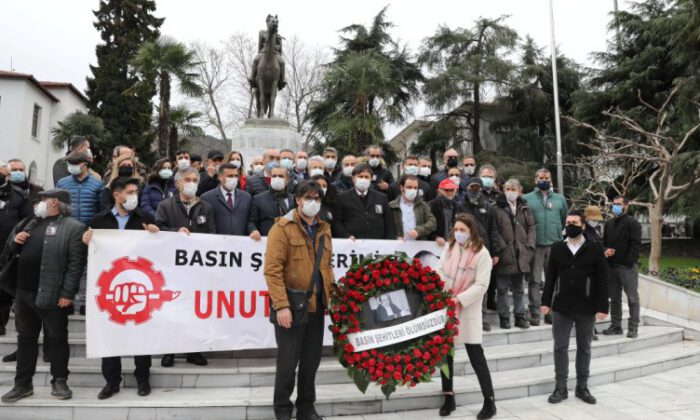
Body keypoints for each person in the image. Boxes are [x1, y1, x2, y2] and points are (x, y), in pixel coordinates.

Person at [0, 189, 87, 403]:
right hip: (23, 292)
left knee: (57, 338)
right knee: (25, 338)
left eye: (42, 200)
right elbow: (9, 251)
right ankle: (22, 384)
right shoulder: (30, 222)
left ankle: (59, 380)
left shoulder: (74, 228)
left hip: (53, 294)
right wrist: (15, 242)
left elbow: (76, 266)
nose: (38, 203)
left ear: (54, 202)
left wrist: (68, 293)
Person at [264, 180, 336, 420]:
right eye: (308, 198)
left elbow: (327, 267)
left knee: (310, 362)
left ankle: (306, 408)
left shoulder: (325, 229)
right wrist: (281, 305)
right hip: (291, 308)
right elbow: (272, 271)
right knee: (287, 363)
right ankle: (283, 410)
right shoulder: (282, 228)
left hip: (317, 307)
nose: (313, 203)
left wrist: (332, 298)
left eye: (317, 199)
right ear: (298, 200)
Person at [83, 178, 159, 399]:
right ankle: (111, 382)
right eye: (130, 192)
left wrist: (156, 232)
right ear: (117, 195)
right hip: (111, 286)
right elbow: (90, 249)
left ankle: (143, 379)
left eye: (136, 191)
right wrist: (86, 240)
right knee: (109, 333)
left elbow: (159, 248)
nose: (134, 196)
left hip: (139, 285)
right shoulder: (100, 219)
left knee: (140, 334)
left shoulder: (145, 218)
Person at [541, 211, 609, 405]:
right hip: (561, 306)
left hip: (586, 305)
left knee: (584, 348)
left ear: (583, 226)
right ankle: (560, 387)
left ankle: (582, 387)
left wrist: (603, 306)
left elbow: (604, 280)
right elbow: (551, 277)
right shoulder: (557, 248)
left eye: (575, 222)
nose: (571, 225)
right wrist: (546, 302)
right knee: (560, 347)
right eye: (568, 222)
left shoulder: (595, 248)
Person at [435, 213, 496, 419]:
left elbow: (481, 285)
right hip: (447, 306)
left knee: (475, 355)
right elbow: (440, 270)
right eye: (456, 229)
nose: (458, 233)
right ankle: (448, 397)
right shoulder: (450, 247)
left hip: (467, 309)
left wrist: (459, 299)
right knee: (446, 355)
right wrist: (443, 292)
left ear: (472, 231)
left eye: (463, 230)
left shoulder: (482, 253)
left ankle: (489, 401)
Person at [155, 166, 213, 368]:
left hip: (197, 269)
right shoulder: (165, 206)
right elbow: (158, 231)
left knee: (194, 310)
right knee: (171, 310)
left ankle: (193, 350)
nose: (191, 184)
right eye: (187, 179)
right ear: (178, 183)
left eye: (195, 180)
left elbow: (213, 235)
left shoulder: (205, 207)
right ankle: (168, 351)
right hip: (172, 268)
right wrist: (174, 232)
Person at [522, 168, 568, 326]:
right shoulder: (526, 198)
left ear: (551, 180)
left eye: (547, 178)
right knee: (534, 280)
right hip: (535, 245)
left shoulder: (560, 199)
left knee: (553, 280)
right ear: (535, 180)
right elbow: (523, 221)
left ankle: (550, 313)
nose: (544, 180)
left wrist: (556, 233)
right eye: (541, 177)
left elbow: (563, 219)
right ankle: (535, 313)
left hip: (554, 245)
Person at [490, 179, 536, 329]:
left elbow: (531, 228)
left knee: (519, 288)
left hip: (522, 253)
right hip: (504, 253)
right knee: (502, 288)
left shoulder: (525, 208)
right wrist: (502, 248)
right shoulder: (496, 208)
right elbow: (494, 231)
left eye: (513, 188)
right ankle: (504, 318)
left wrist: (529, 246)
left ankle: (520, 317)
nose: (510, 191)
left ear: (520, 189)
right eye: (508, 189)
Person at [602, 196, 642, 339]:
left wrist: (628, 262)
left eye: (618, 204)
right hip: (611, 267)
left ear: (626, 206)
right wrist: (605, 250)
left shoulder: (633, 223)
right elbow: (604, 242)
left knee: (632, 299)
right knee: (615, 299)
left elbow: (636, 245)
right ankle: (616, 326)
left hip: (627, 268)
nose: (615, 207)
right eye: (614, 204)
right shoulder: (609, 223)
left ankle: (633, 328)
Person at [460, 177, 496, 331]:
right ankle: (467, 318)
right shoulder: (460, 206)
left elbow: (493, 230)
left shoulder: (488, 207)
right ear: (466, 188)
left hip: (484, 251)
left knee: (482, 286)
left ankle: (482, 317)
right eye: (471, 187)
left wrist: (494, 253)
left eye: (477, 188)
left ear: (481, 189)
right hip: (466, 251)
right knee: (466, 286)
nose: (474, 191)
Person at [0, 164, 32, 336]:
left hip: (8, 249)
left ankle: (0, 323)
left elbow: (27, 221)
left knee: (3, 287)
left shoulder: (19, 196)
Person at [332, 164, 395, 240]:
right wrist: (346, 236)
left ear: (371, 179)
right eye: (360, 176)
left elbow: (389, 223)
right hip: (352, 244)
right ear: (353, 178)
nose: (363, 179)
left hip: (377, 244)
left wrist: (388, 242)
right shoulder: (342, 198)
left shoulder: (381, 198)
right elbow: (337, 221)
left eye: (366, 177)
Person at [201, 164, 253, 236]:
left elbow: (251, 221)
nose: (234, 178)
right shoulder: (207, 198)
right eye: (230, 176)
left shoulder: (247, 197)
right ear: (220, 177)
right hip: (217, 244)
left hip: (241, 243)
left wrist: (253, 231)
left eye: (236, 176)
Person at [56, 151, 105, 225]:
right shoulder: (61, 184)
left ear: (85, 165)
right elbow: (57, 207)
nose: (71, 166)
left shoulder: (97, 184)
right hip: (68, 230)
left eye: (74, 163)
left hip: (90, 230)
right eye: (70, 163)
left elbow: (102, 210)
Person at [248, 165, 295, 239]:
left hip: (289, 242)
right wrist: (253, 230)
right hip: (266, 242)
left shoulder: (294, 199)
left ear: (287, 179)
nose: (277, 178)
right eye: (274, 176)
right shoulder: (258, 199)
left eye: (281, 176)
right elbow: (251, 222)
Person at [389, 174, 436, 240]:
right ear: (401, 187)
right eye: (409, 187)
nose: (412, 190)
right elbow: (388, 227)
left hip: (418, 245)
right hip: (399, 246)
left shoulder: (423, 205)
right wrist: (395, 237)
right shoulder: (392, 206)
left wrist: (419, 231)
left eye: (415, 188)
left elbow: (432, 223)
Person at [428, 179, 465, 247]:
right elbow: (428, 226)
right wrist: (436, 237)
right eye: (446, 190)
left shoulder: (459, 208)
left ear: (456, 191)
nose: (449, 193)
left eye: (452, 190)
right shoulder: (431, 206)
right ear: (439, 191)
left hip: (455, 245)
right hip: (435, 246)